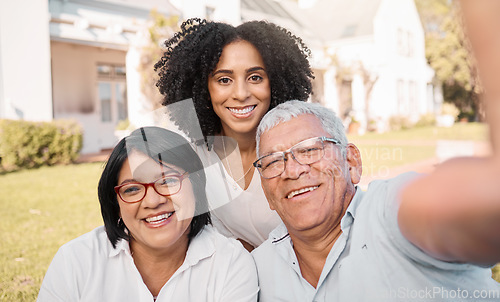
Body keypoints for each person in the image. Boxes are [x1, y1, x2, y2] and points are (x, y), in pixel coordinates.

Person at [251, 99, 500, 301]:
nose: (293, 171)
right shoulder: (254, 272)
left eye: (309, 150)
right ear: (266, 191)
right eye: (272, 162)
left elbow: (456, 211)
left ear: (351, 162)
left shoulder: (387, 212)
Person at [37, 127, 258, 301]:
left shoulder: (231, 264)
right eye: (132, 189)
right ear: (116, 204)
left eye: (169, 181)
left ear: (196, 185)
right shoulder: (75, 261)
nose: (153, 201)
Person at [154, 18, 314, 250]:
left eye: (255, 77)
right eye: (224, 80)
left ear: (276, 83)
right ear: (202, 87)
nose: (240, 93)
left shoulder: (303, 151)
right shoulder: (193, 162)